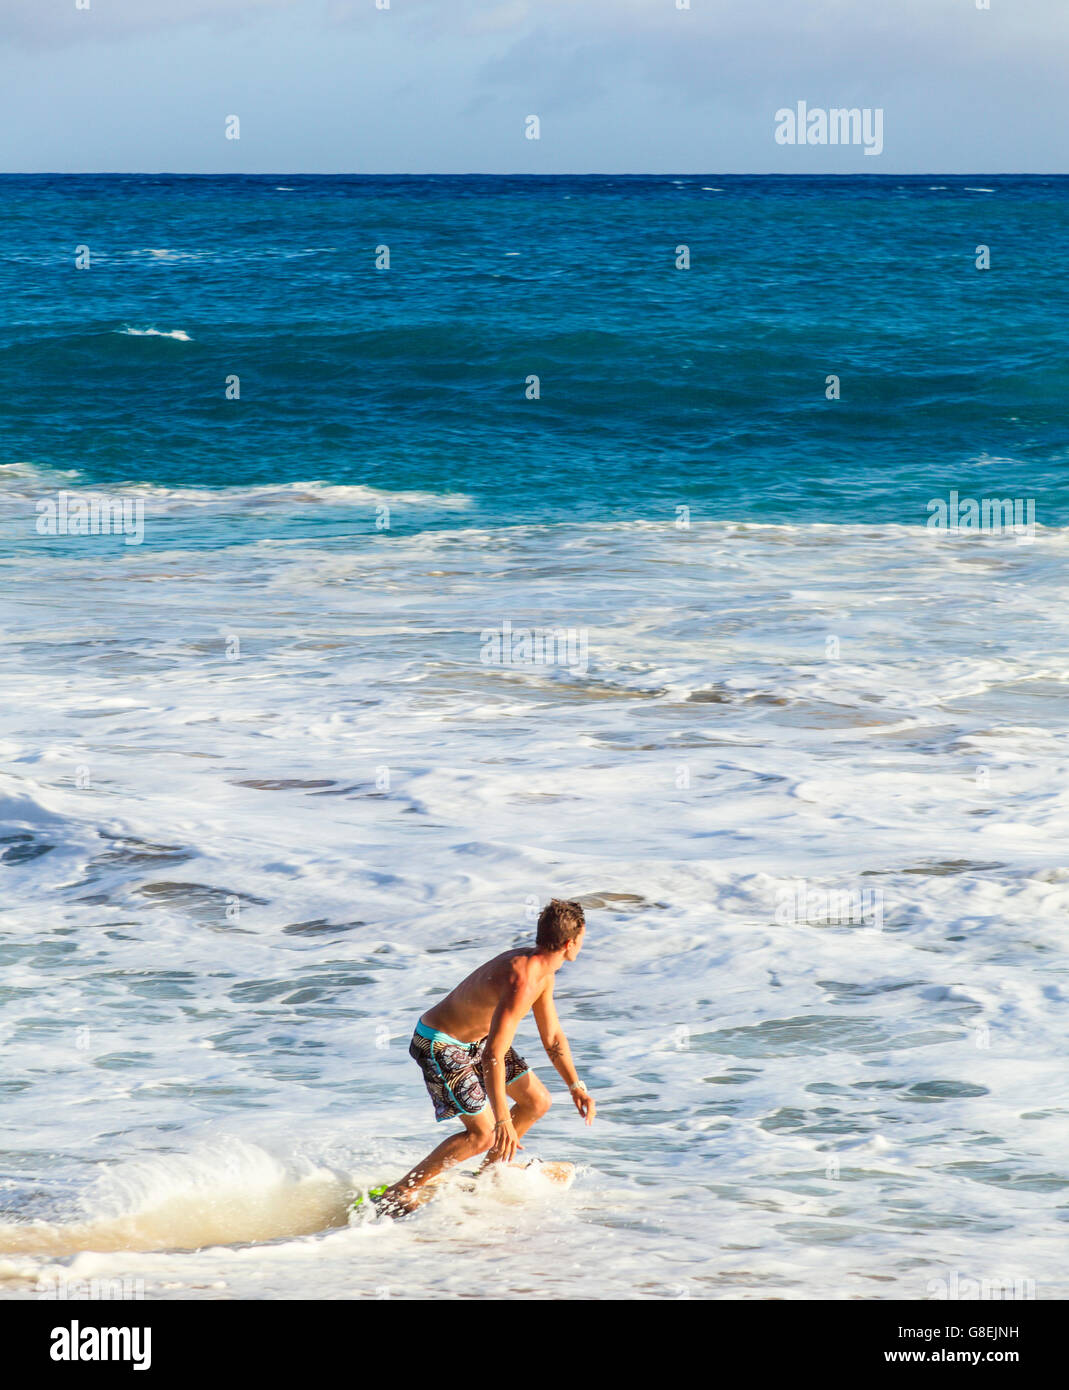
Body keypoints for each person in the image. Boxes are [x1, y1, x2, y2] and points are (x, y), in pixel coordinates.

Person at [379, 898, 595, 1214]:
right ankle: (399, 1192)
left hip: (476, 1043)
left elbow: (552, 1038)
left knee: (537, 1101)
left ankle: (485, 1178)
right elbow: (494, 1054)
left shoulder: (544, 973)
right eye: (583, 938)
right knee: (483, 1135)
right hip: (441, 1043)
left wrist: (576, 1085)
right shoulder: (522, 978)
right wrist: (503, 1119)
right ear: (570, 942)